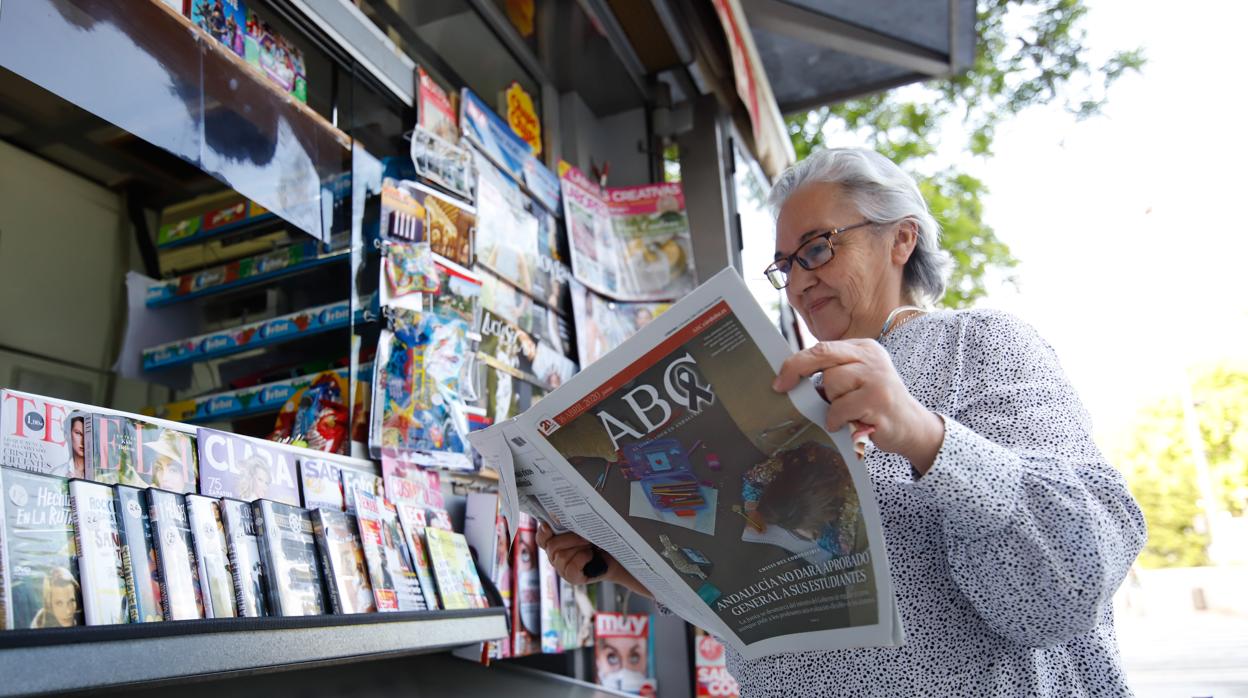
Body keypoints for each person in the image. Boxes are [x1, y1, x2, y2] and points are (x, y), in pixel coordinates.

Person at [538, 147, 1147, 696]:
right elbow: (766, 591)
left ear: (901, 239)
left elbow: (1074, 579)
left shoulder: (978, 345)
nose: (800, 281)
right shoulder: (792, 390)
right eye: (786, 265)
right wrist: (632, 568)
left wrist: (924, 436)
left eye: (818, 248)